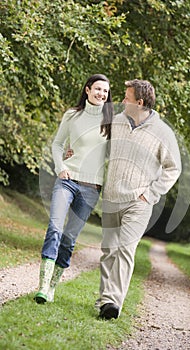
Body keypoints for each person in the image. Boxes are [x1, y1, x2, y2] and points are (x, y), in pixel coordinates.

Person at [97, 79, 182, 319]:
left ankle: (113, 303)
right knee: (108, 251)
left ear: (140, 103)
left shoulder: (163, 132)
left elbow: (173, 168)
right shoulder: (117, 121)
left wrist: (151, 194)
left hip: (139, 202)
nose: (123, 100)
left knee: (125, 249)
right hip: (112, 197)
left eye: (127, 97)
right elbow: (98, 144)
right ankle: (104, 300)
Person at [34, 74, 113, 304]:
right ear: (87, 90)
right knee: (55, 227)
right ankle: (42, 287)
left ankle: (52, 287)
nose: (102, 94)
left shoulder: (111, 122)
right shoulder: (72, 115)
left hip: (91, 188)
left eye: (106, 92)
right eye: (98, 89)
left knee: (69, 238)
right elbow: (58, 144)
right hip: (67, 180)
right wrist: (60, 167)